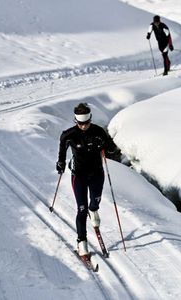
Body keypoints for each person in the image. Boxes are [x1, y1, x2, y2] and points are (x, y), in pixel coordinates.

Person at [56, 103, 117, 256]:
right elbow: (62, 151)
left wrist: (107, 146)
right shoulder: (68, 135)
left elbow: (111, 148)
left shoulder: (98, 131)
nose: (84, 126)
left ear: (90, 119)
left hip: (97, 173)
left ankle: (94, 209)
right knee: (81, 209)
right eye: (80, 123)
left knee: (95, 200)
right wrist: (61, 163)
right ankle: (81, 242)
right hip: (79, 175)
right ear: (76, 121)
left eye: (86, 123)